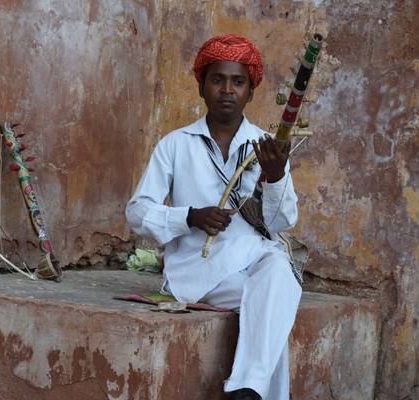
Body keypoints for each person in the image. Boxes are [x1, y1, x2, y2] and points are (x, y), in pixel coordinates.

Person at [126, 34, 301, 400]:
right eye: (217, 79)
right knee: (272, 309)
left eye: (238, 82)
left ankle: (246, 390)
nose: (227, 90)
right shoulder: (175, 144)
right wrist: (189, 217)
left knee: (275, 273)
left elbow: (282, 222)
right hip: (198, 269)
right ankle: (249, 388)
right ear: (202, 87)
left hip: (253, 261)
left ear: (251, 91)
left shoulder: (268, 145)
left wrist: (276, 177)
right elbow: (137, 212)